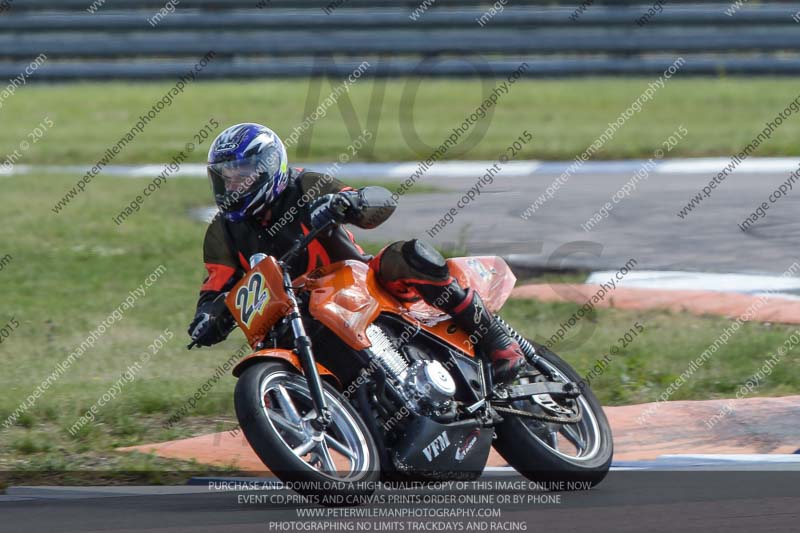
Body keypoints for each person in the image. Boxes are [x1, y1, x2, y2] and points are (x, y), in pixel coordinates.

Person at [188, 123, 524, 383]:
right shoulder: (221, 231)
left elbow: (379, 201)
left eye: (243, 175)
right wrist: (206, 319)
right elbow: (215, 290)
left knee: (406, 255)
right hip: (289, 319)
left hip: (354, 285)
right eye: (226, 178)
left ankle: (495, 338)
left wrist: (348, 203)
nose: (234, 187)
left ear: (268, 167)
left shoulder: (306, 186)